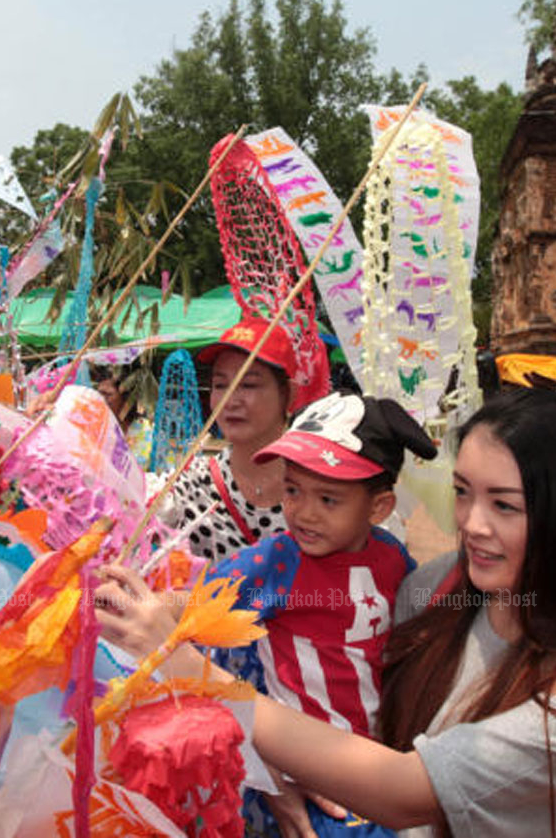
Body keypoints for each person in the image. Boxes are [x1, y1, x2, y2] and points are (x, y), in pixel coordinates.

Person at [97, 385, 556, 838]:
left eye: (504, 505)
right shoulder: (439, 587)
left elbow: (400, 791)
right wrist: (270, 773)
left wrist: (190, 674)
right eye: (464, 493)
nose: (472, 524)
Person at [210, 392, 438, 837]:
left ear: (379, 508)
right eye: (292, 490)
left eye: (328, 499)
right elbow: (195, 616)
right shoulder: (275, 562)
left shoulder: (392, 560)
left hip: (377, 763)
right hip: (308, 780)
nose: (303, 513)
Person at [157, 316, 299, 564]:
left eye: (249, 385)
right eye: (220, 385)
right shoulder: (188, 486)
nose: (231, 401)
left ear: (289, 394)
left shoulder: (320, 488)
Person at [93, 363, 153, 467]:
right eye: (99, 393)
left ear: (126, 399)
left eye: (107, 394)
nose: (101, 399)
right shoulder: (96, 428)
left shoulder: (146, 431)